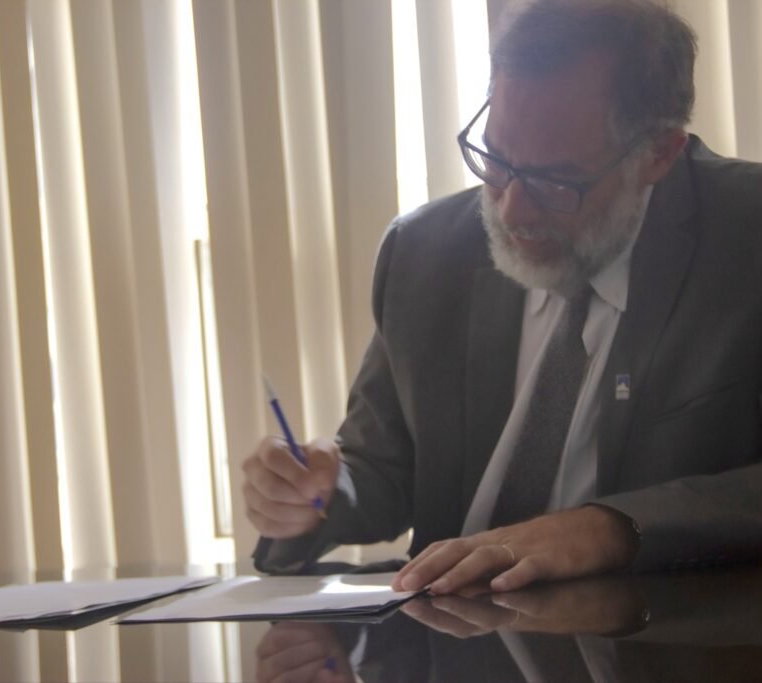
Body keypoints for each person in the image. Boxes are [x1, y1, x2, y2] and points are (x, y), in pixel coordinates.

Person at [242, 0, 762, 595]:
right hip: (450, 626)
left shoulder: (746, 239)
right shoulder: (426, 253)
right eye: (495, 159)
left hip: (664, 630)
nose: (512, 209)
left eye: (555, 180)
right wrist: (315, 494)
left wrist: (609, 529)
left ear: (659, 154)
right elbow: (380, 469)